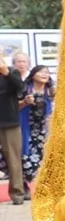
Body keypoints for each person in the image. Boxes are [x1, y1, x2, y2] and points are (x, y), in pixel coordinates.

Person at [22, 64, 54, 185]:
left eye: (46, 72)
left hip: (44, 129)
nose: (44, 74)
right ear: (33, 75)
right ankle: (25, 184)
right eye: (41, 72)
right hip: (27, 128)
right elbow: (15, 106)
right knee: (25, 155)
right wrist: (25, 102)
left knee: (45, 156)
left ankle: (45, 184)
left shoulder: (51, 91)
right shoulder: (25, 89)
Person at [0, 52, 24, 202]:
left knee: (13, 159)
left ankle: (17, 194)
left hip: (9, 122)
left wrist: (6, 73)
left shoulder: (12, 72)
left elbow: (20, 87)